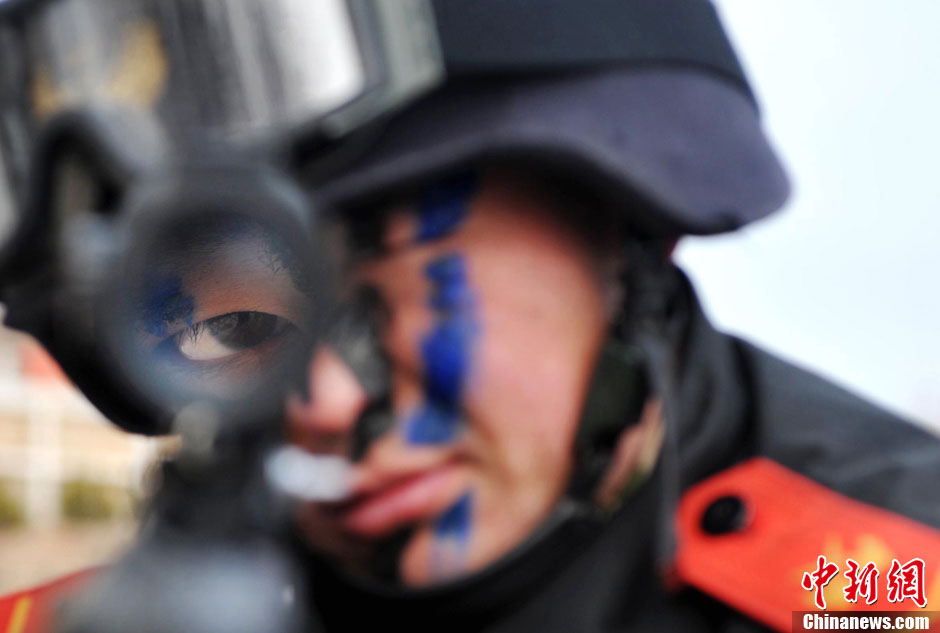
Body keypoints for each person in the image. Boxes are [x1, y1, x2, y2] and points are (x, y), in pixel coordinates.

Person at [0, 1, 938, 632]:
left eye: (381, 268)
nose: (318, 402)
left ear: (627, 224)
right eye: (233, 324)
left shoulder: (886, 586)